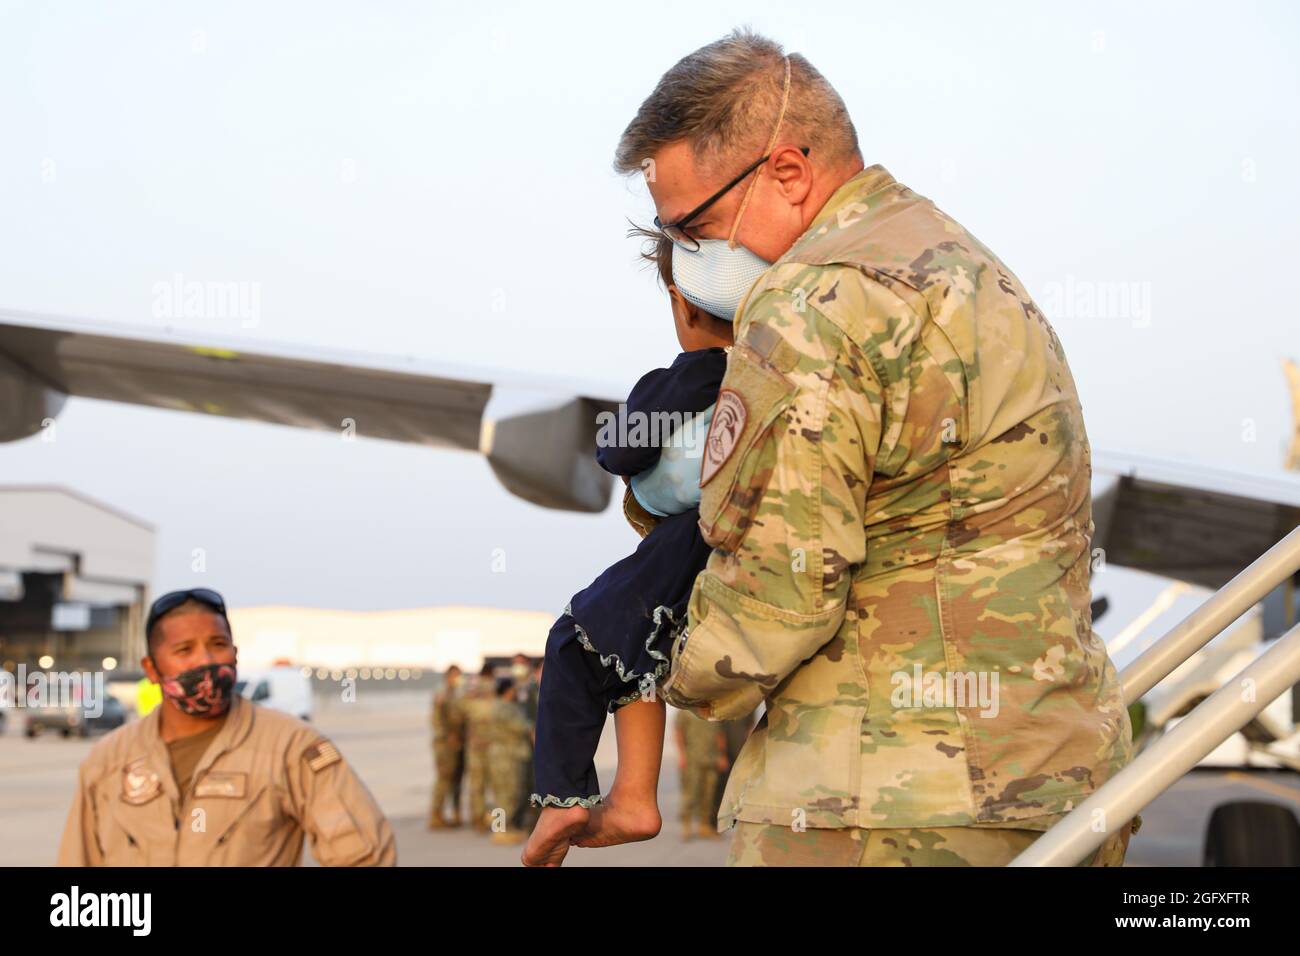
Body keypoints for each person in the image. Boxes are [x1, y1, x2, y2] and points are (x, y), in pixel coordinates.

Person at [595, 29, 1135, 866]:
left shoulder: (812, 298)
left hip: (885, 804)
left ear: (787, 172)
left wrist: (644, 658)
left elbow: (778, 594)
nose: (688, 259)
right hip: (1051, 782)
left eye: (693, 227)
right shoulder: (966, 268)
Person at [521, 236, 734, 867]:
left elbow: (620, 452)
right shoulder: (777, 371)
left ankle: (562, 796)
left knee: (576, 635)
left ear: (683, 303)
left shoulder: (697, 372)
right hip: (727, 540)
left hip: (693, 534)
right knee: (633, 647)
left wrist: (630, 419)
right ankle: (635, 797)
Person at [58, 588, 396, 866]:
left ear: (234, 653)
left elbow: (366, 857)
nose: (205, 661)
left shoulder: (292, 747)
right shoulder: (108, 761)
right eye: (184, 650)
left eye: (217, 645)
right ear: (152, 668)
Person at [486, 677, 534, 846]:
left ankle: (505, 827)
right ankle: (499, 831)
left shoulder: (507, 706)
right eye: (514, 689)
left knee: (511, 794)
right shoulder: (503, 708)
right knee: (504, 796)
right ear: (507, 690)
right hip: (505, 757)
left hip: (510, 756)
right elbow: (522, 726)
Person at [674, 708, 726, 840]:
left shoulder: (713, 710)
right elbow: (678, 732)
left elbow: (719, 735)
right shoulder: (685, 711)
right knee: (690, 793)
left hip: (711, 759)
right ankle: (686, 826)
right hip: (692, 759)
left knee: (708, 794)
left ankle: (704, 826)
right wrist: (681, 755)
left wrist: (721, 755)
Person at [461, 662, 497, 833]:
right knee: (499, 787)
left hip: (475, 744)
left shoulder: (470, 691)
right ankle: (500, 825)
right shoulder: (497, 688)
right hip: (495, 745)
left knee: (477, 785)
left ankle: (478, 821)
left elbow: (459, 714)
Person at [429, 664, 466, 829]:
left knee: (457, 779)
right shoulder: (442, 693)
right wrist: (446, 737)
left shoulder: (457, 694)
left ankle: (456, 814)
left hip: (458, 742)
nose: (458, 679)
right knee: (444, 779)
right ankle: (436, 816)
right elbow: (436, 720)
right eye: (455, 675)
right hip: (445, 745)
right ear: (448, 676)